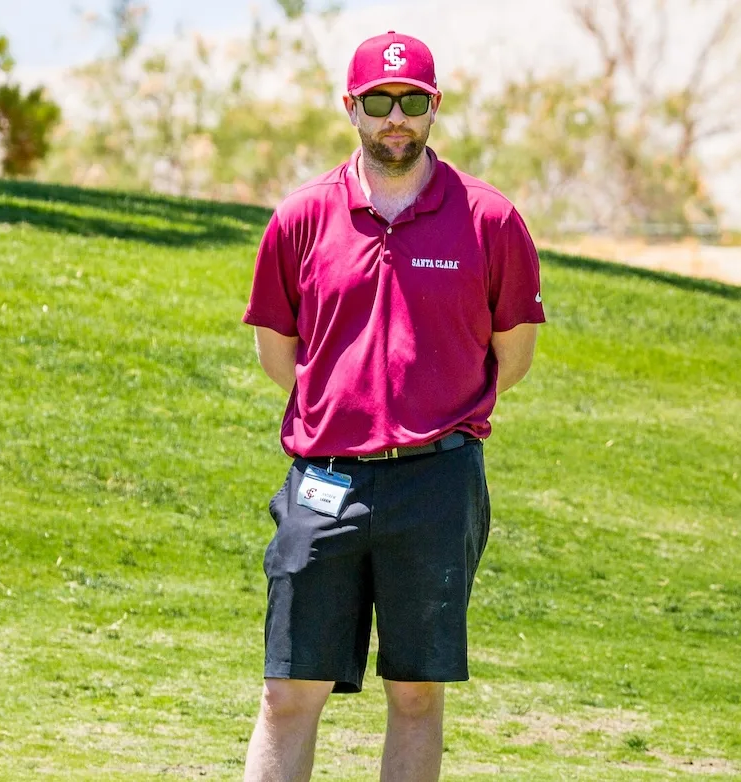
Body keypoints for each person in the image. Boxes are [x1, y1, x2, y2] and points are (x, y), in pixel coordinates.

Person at [239, 30, 545, 782]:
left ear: (434, 107)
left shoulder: (490, 220)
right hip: (324, 480)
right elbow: (280, 354)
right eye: (380, 102)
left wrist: (426, 418)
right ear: (352, 108)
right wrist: (349, 415)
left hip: (438, 486)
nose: (396, 118)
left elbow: (514, 354)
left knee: (415, 694)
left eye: (412, 102)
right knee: (287, 692)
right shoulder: (301, 217)